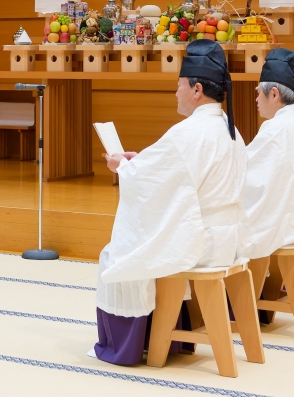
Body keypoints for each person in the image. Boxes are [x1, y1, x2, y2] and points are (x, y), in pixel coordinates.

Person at [92, 40, 248, 366]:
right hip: (230, 238)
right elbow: (171, 172)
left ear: (197, 89)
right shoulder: (231, 129)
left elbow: (153, 182)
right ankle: (171, 338)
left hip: (199, 243)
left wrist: (123, 168)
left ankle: (129, 345)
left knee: (117, 255)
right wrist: (137, 164)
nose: (176, 93)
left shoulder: (189, 132)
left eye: (179, 85)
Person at [241, 48, 294, 262]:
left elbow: (248, 177)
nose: (256, 99)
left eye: (259, 92)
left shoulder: (276, 128)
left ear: (274, 94)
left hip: (292, 223)